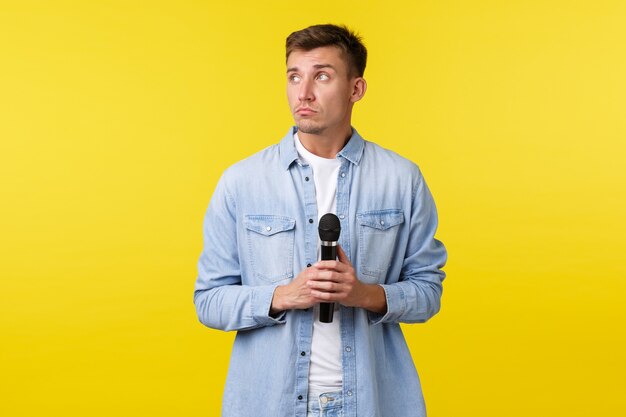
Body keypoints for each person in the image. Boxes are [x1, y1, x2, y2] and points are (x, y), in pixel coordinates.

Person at [194, 24, 447, 417]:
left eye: (322, 76)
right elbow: (208, 300)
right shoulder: (242, 182)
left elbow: (428, 291)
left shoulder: (401, 179)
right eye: (294, 76)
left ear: (355, 89)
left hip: (371, 399)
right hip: (269, 401)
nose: (303, 92)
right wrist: (282, 296)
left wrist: (365, 294)